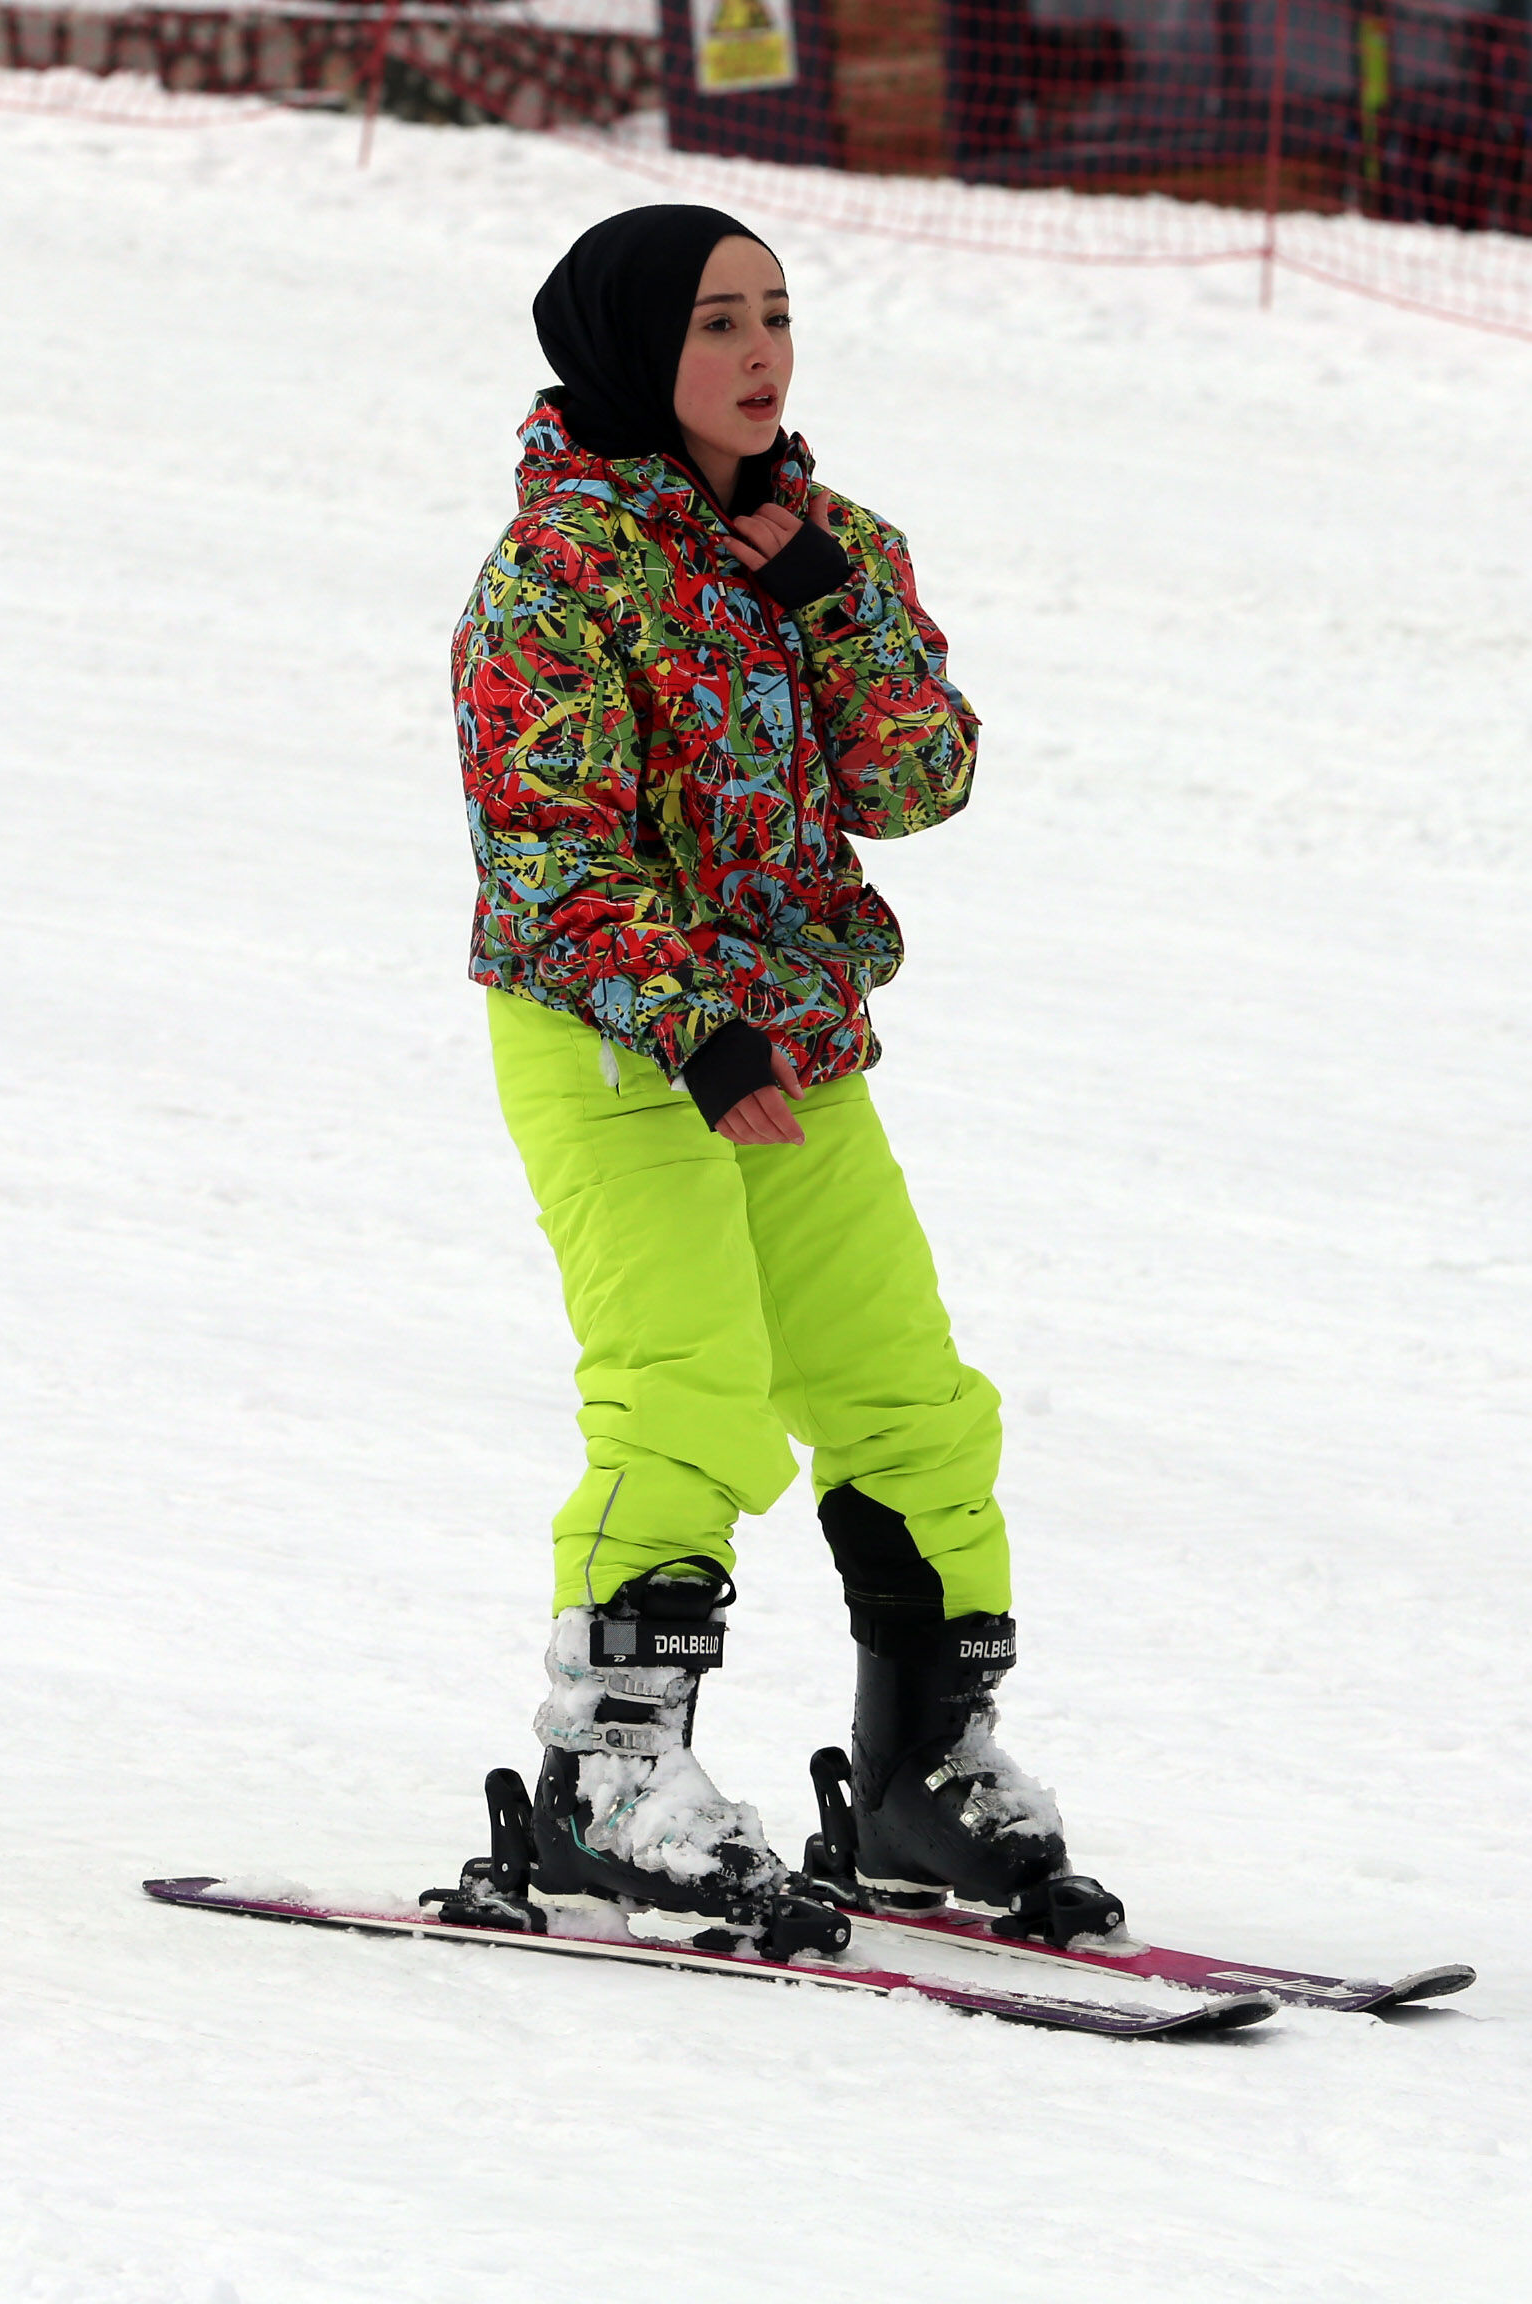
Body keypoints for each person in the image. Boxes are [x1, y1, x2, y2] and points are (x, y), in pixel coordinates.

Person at [452, 206, 1085, 1935]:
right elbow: (546, 855)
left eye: (779, 316)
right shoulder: (555, 574)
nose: (759, 352)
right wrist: (694, 1022)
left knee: (905, 1395)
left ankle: (921, 1775)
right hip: (614, 1030)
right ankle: (611, 1776)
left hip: (793, 1030)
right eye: (717, 320)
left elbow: (922, 782)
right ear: (629, 352)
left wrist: (828, 604)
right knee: (690, 1388)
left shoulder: (832, 540)